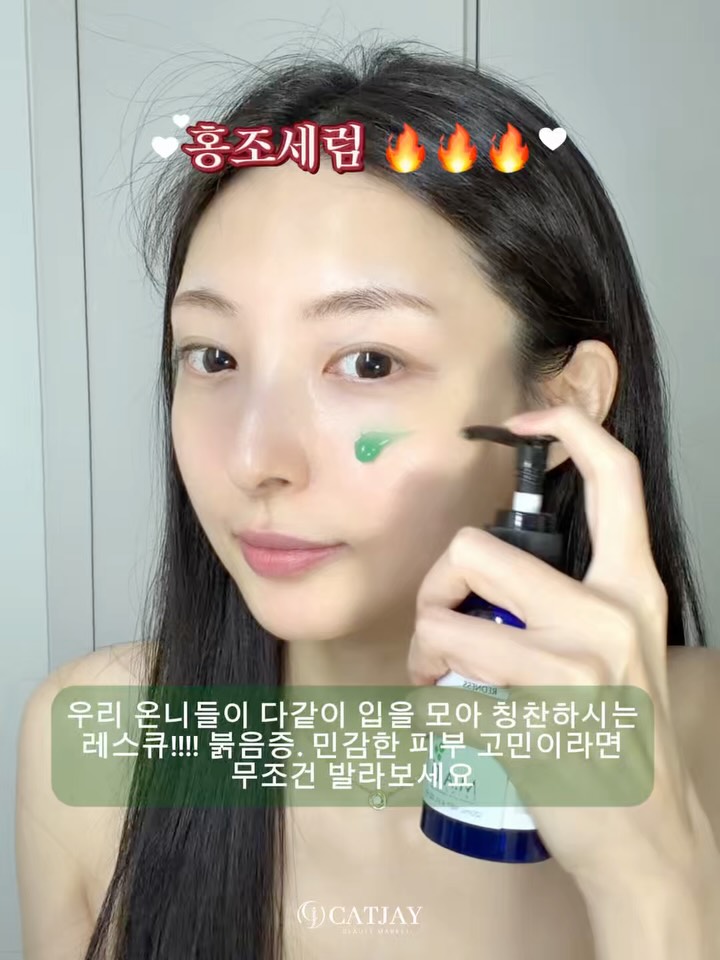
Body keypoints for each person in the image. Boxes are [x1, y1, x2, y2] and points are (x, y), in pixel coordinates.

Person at [15, 40, 720, 960]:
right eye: (213, 357)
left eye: (369, 362)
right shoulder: (106, 749)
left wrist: (650, 882)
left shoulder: (706, 739)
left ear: (562, 402)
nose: (255, 460)